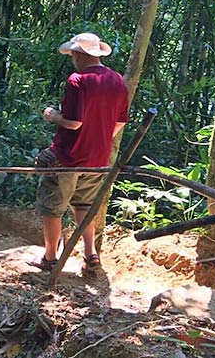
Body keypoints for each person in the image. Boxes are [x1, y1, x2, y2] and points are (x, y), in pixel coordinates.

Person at [32, 33, 128, 272]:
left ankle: (50, 257)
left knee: (52, 206)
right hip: (98, 158)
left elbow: (73, 122)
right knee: (84, 204)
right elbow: (120, 122)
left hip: (67, 157)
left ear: (78, 54)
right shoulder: (117, 80)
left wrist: (52, 115)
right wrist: (99, 138)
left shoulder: (77, 80)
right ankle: (90, 253)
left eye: (74, 54)